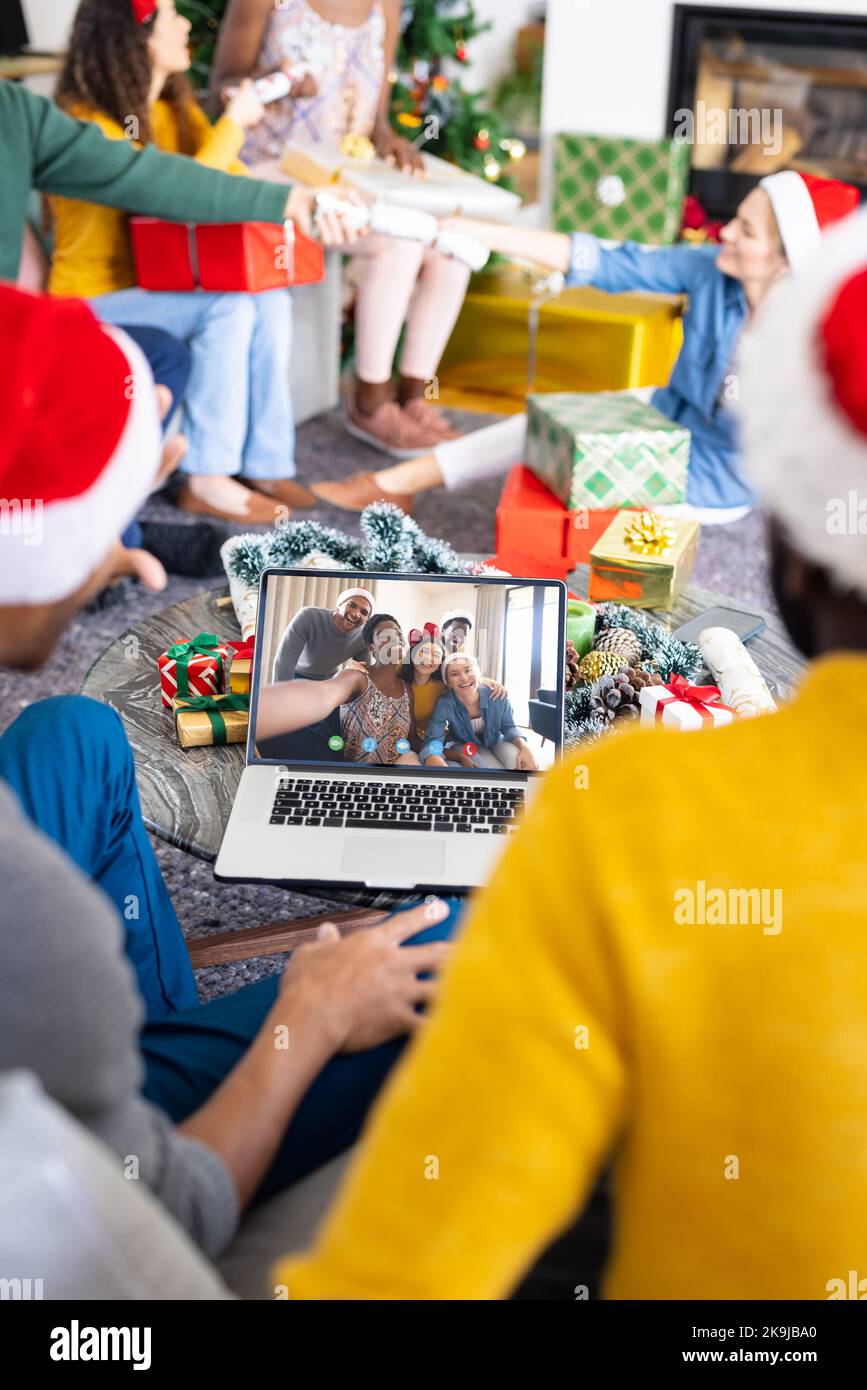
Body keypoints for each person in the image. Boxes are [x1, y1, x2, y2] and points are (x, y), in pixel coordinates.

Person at [278, 208, 867, 1300]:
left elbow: (404, 1269)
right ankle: (376, 488)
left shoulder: (632, 805)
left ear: (790, 531)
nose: (724, 226)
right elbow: (598, 255)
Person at [0, 284, 457, 1259]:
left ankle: (162, 1021)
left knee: (74, 731)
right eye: (105, 523)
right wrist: (312, 1011)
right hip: (107, 1173)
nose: (141, 560)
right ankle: (178, 1059)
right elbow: (164, 1214)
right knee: (459, 930)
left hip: (59, 1044)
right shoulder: (32, 922)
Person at [312, 171, 860, 522]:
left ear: (787, 260)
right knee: (548, 421)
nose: (725, 233)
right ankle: (392, 484)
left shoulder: (810, 340)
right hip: (666, 411)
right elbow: (604, 259)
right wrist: (469, 229)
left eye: (746, 230)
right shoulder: (710, 270)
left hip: (712, 475)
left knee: (574, 471)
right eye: (734, 220)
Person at [49, 0, 363, 526]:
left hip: (161, 283)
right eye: (171, 15)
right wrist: (234, 124)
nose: (186, 24)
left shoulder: (174, 112)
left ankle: (264, 462)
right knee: (228, 306)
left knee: (268, 296)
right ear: (136, 35)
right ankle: (207, 477)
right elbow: (172, 199)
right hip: (94, 296)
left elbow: (226, 180)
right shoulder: (90, 124)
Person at [211, 0, 471, 457]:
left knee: (451, 247)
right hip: (274, 174)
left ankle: (412, 397)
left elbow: (375, 120)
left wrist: (389, 141)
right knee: (400, 240)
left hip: (347, 178)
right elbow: (221, 91)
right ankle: (371, 403)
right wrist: (279, 82)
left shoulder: (384, 7)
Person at [260, 613, 422, 766]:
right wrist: (261, 710)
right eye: (385, 635)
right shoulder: (357, 677)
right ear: (372, 648)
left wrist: (439, 751)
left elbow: (412, 739)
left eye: (398, 634)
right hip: (353, 779)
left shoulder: (407, 690)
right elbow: (322, 694)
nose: (395, 638)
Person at [421, 654, 538, 772]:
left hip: (496, 739)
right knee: (490, 771)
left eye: (468, 670)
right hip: (465, 744)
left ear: (478, 674)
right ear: (448, 682)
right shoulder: (445, 703)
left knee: (521, 764)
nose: (464, 678)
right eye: (454, 674)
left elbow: (508, 727)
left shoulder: (497, 694)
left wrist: (525, 747)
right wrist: (432, 756)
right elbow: (433, 737)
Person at [272, 588, 376, 682]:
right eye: (352, 605)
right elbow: (284, 662)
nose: (356, 614)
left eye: (364, 612)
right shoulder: (308, 616)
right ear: (339, 605)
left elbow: (364, 673)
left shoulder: (364, 636)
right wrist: (282, 696)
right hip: (296, 676)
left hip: (329, 681)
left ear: (366, 620)